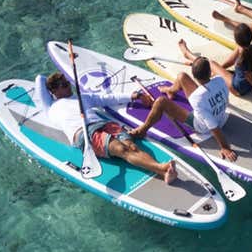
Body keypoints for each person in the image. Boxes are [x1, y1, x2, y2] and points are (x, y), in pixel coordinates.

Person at [36, 72, 178, 184]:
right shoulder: (50, 108)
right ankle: (162, 169)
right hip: (85, 133)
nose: (69, 86)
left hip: (104, 124)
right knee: (122, 149)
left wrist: (135, 95)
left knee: (131, 146)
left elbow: (108, 98)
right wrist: (49, 83)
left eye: (68, 83)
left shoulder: (82, 97)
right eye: (65, 85)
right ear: (54, 90)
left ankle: (162, 171)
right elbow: (39, 79)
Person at [129, 57, 238, 162]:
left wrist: (224, 147)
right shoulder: (220, 79)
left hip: (202, 126)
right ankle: (170, 90)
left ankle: (142, 130)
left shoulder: (197, 98)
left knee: (161, 101)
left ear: (195, 76)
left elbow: (213, 126)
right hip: (220, 115)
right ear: (210, 72)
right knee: (182, 76)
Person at [175, 28, 252, 115]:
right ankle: (218, 70)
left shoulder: (242, 62)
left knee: (210, 63)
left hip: (239, 89)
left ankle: (188, 54)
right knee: (232, 56)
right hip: (248, 79)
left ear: (236, 41)